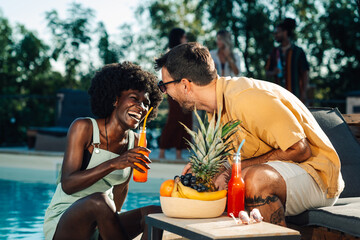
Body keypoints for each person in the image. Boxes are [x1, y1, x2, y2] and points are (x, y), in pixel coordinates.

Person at [154, 42, 344, 227]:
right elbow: (238, 158)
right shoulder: (215, 110)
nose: (165, 93)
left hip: (317, 177)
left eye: (165, 85)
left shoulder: (245, 98)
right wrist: (209, 169)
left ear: (185, 85)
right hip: (282, 173)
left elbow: (300, 150)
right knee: (216, 184)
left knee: (252, 179)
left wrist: (230, 171)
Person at [43, 62, 163, 240]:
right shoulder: (83, 127)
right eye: (134, 98)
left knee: (154, 214)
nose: (141, 107)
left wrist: (112, 225)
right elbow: (68, 184)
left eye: (146, 103)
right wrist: (114, 163)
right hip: (66, 219)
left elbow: (121, 189)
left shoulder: (135, 141)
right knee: (99, 200)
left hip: (103, 218)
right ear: (115, 99)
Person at [158, 27, 192, 160]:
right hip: (173, 90)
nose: (186, 39)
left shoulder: (185, 52)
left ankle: (179, 152)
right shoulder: (170, 53)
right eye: (184, 36)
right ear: (178, 37)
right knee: (174, 120)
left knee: (186, 121)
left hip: (186, 90)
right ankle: (162, 150)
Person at [265, 18, 310, 104]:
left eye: (277, 33)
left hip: (296, 97)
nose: (275, 35)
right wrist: (273, 72)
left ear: (285, 32)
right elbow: (267, 73)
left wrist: (304, 93)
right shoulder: (274, 52)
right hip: (278, 97)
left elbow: (305, 73)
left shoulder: (298, 52)